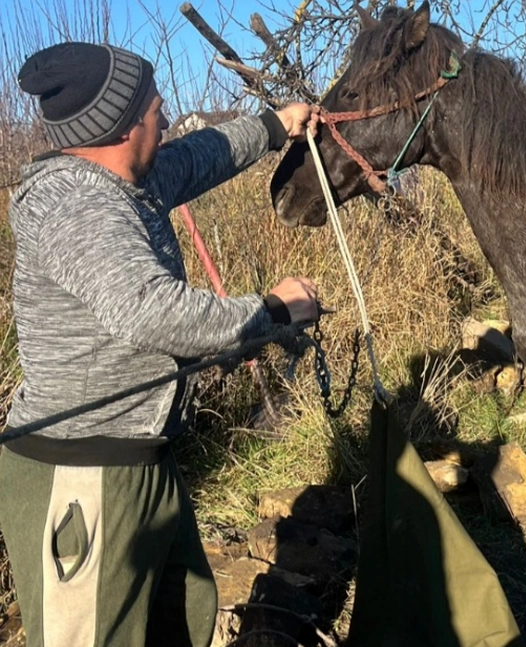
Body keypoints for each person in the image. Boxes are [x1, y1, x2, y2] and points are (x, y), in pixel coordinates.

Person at [0, 42, 320, 647]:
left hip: (141, 459)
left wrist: (277, 125)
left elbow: (200, 156)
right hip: (80, 473)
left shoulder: (126, 179)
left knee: (180, 619)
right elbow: (148, 312)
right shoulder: (80, 204)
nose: (167, 117)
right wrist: (271, 310)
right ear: (122, 127)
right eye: (155, 108)